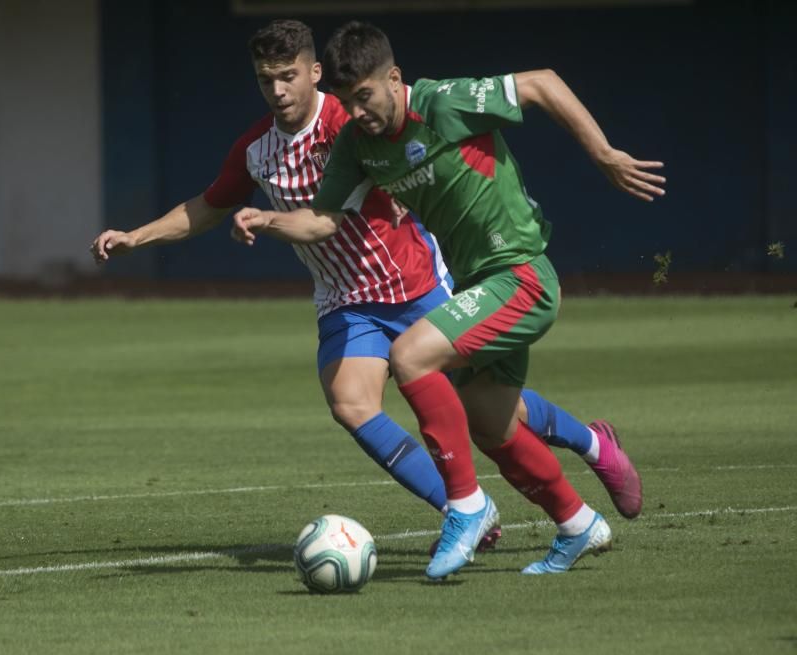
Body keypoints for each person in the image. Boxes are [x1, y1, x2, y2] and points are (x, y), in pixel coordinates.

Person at [92, 20, 640, 537]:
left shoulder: (353, 121)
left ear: (313, 74)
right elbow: (210, 205)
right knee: (351, 402)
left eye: (287, 76)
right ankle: (464, 510)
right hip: (344, 299)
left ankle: (592, 443)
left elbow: (409, 150)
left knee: (498, 409)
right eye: (265, 80)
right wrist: (135, 237)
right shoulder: (256, 149)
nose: (278, 90)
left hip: (413, 282)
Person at [232, 21, 664, 576]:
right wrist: (268, 219)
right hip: (476, 286)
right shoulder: (356, 144)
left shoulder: (442, 103)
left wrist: (603, 153)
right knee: (490, 423)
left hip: (521, 273)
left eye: (365, 95)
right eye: (346, 101)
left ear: (394, 78)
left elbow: (544, 84)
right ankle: (579, 522)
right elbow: (322, 219)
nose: (357, 111)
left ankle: (465, 506)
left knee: (411, 355)